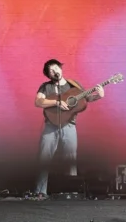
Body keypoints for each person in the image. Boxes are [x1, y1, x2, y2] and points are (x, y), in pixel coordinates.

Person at [34, 59, 104, 199]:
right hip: (50, 126)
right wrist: (56, 102)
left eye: (56, 68)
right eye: (51, 71)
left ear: (61, 68)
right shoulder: (45, 87)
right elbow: (38, 101)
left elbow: (87, 99)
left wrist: (99, 95)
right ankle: (40, 192)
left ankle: (72, 192)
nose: (55, 72)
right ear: (48, 75)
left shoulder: (74, 85)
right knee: (44, 159)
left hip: (69, 125)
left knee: (71, 159)